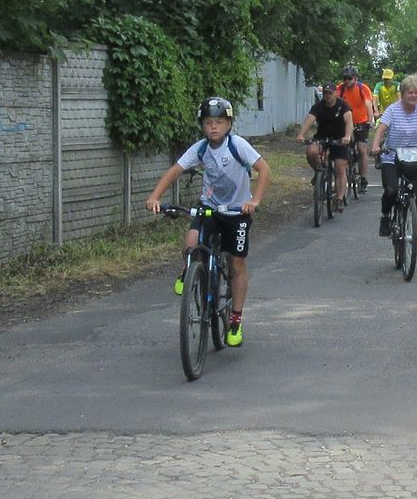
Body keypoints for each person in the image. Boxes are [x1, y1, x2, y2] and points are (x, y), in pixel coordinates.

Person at [144, 96, 269, 347]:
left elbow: (264, 170)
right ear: (202, 125)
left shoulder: (238, 145)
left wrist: (254, 201)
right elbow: (175, 170)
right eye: (208, 122)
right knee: (192, 242)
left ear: (229, 124)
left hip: (236, 212)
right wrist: (155, 197)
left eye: (219, 122)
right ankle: (190, 271)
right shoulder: (200, 148)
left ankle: (235, 320)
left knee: (237, 264)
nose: (213, 127)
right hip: (210, 207)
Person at [370, 73, 417, 249]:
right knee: (391, 190)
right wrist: (376, 146)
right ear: (402, 94)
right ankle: (385, 217)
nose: (414, 96)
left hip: (415, 157)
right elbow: (381, 129)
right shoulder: (393, 110)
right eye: (410, 92)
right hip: (392, 156)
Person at [297, 81, 354, 217]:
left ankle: (339, 199)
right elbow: (309, 120)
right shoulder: (318, 106)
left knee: (340, 167)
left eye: (330, 93)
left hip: (340, 139)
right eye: (325, 93)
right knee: (311, 151)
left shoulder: (343, 105)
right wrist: (301, 135)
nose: (327, 96)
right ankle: (319, 172)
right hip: (322, 137)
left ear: (336, 93)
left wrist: (347, 136)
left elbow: (349, 122)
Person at [335, 66, 376, 194]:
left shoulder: (363, 88)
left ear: (355, 78)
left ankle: (363, 179)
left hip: (361, 122)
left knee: (361, 149)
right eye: (345, 78)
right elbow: (334, 103)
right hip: (345, 123)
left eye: (350, 78)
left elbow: (368, 104)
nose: (347, 81)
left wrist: (371, 119)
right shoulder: (340, 89)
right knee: (342, 146)